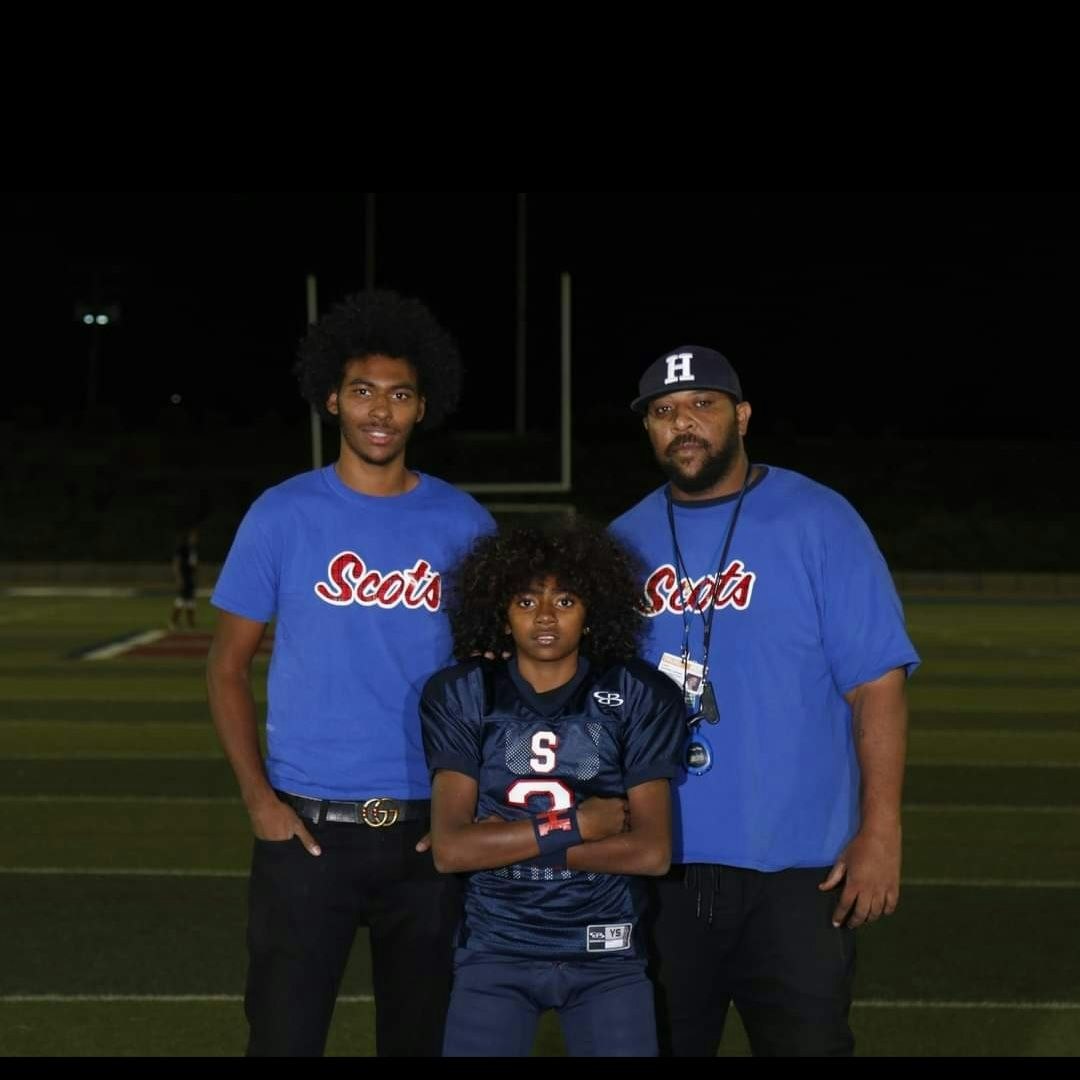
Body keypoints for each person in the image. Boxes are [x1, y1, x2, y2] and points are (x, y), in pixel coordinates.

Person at [609, 345, 921, 1057]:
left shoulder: (820, 519)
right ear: (649, 430)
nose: (683, 423)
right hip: (660, 867)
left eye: (701, 406)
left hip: (800, 873)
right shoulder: (623, 540)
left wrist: (882, 830)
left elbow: (877, 684)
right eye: (664, 412)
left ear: (742, 415)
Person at [206, 290, 495, 1057]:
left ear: (421, 406)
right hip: (306, 835)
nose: (380, 411)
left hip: (426, 835)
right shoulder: (280, 513)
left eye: (399, 394)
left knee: (424, 1040)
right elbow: (226, 667)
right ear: (332, 398)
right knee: (282, 1039)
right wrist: (259, 800)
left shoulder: (464, 523)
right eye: (363, 391)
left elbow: (493, 676)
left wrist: (470, 805)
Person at [420, 521, 687, 1057]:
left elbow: (652, 853)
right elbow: (451, 851)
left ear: (593, 610)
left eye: (564, 600)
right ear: (501, 611)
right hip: (496, 949)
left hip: (606, 951)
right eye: (526, 600)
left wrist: (505, 843)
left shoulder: (638, 693)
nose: (545, 617)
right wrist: (578, 826)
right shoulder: (464, 692)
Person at [169, 527, 198, 629]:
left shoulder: (193, 549)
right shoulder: (182, 548)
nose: (195, 538)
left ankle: (190, 623)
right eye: (193, 536)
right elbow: (176, 563)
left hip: (190, 578)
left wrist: (194, 576)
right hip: (184, 578)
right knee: (181, 600)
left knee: (191, 600)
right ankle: (173, 622)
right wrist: (179, 578)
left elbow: (193, 565)